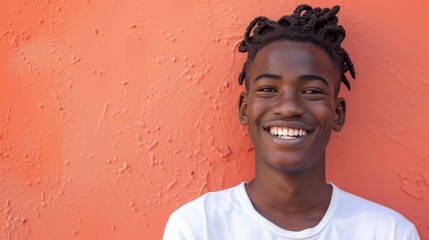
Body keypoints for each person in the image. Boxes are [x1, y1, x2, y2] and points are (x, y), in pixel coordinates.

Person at [163, 4, 420, 239]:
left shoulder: (388, 232)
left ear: (338, 113)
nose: (288, 107)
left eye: (311, 91)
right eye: (269, 89)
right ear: (244, 109)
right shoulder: (198, 227)